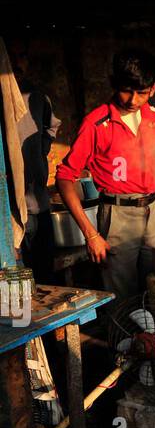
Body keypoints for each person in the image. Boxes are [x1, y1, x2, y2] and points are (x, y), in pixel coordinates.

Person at [56, 48, 155, 300]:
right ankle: (125, 340)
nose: (132, 100)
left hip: (152, 212)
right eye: (126, 90)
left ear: (153, 89)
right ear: (113, 84)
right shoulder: (96, 124)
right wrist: (91, 234)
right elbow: (65, 177)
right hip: (117, 216)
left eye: (141, 92)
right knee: (122, 295)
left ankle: (153, 338)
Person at [6, 39, 60, 282]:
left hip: (38, 205)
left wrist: (37, 155)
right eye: (11, 56)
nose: (17, 63)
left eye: (22, 56)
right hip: (7, 215)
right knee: (15, 286)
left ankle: (46, 321)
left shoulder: (37, 96)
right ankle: (20, 321)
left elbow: (51, 127)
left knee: (47, 279)